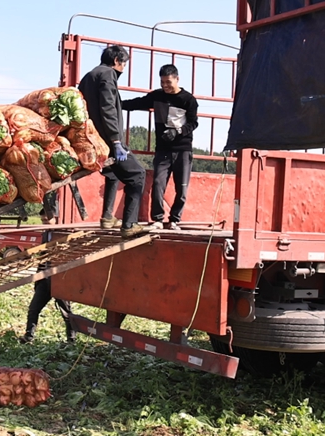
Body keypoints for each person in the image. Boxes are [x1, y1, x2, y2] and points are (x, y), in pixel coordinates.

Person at [78, 45, 148, 239]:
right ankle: (129, 224)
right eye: (124, 63)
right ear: (117, 60)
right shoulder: (108, 74)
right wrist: (116, 140)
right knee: (138, 175)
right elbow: (108, 109)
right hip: (107, 141)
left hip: (92, 140)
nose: (123, 68)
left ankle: (108, 217)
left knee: (113, 173)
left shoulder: (88, 76)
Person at [123, 64, 199, 231]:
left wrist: (178, 131)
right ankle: (157, 219)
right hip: (163, 150)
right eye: (162, 82)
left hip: (183, 149)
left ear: (177, 79)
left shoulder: (188, 99)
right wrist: (116, 103)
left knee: (182, 187)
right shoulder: (157, 96)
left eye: (168, 82)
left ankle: (174, 220)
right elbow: (137, 103)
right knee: (158, 183)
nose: (165, 85)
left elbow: (194, 123)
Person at [19, 194, 76, 344]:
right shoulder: (45, 234)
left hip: (59, 278)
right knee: (34, 308)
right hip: (44, 277)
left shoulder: (63, 234)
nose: (44, 223)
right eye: (42, 221)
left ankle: (71, 339)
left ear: (55, 218)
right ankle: (29, 336)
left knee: (66, 311)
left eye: (46, 220)